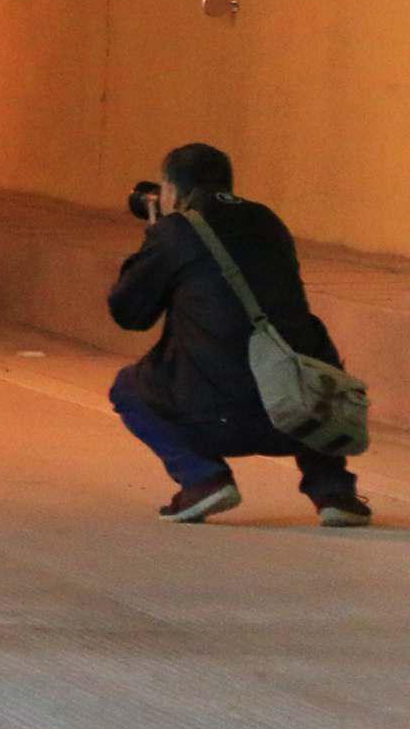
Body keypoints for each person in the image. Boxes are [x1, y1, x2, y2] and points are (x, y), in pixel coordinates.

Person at [108, 142, 371, 527]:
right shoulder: (268, 222)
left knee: (127, 388)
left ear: (172, 191)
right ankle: (333, 491)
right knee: (304, 354)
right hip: (298, 411)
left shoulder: (176, 231)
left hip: (216, 418)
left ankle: (203, 479)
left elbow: (129, 313)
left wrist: (154, 241)